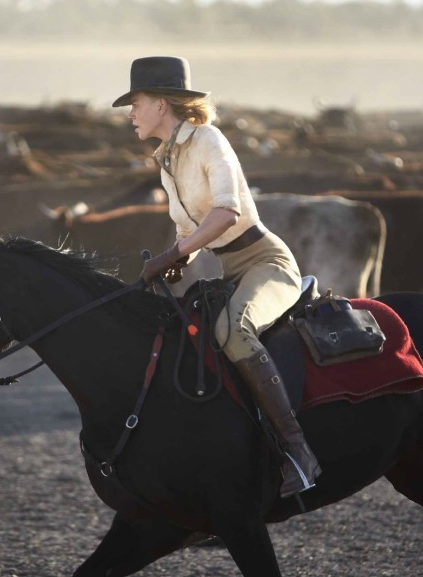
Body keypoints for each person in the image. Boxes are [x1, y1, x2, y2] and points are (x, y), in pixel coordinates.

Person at [113, 56, 321, 497]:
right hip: (229, 267)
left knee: (232, 331)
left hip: (267, 262)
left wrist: (174, 252)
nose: (130, 112)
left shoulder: (209, 140)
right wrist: (173, 265)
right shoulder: (167, 158)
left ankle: (298, 452)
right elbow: (190, 231)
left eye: (137, 102)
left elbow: (226, 213)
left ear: (162, 106)